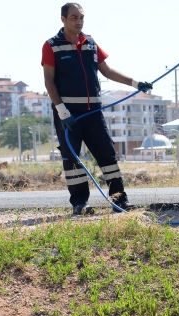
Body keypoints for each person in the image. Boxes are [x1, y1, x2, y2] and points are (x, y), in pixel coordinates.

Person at [42, 3, 152, 215]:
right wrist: (61, 110)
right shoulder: (51, 45)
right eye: (74, 17)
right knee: (71, 158)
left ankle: (119, 200)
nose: (79, 21)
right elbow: (48, 80)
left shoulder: (90, 43)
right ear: (63, 19)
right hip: (68, 114)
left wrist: (136, 83)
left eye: (81, 17)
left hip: (93, 112)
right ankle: (80, 204)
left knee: (107, 155)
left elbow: (108, 71)